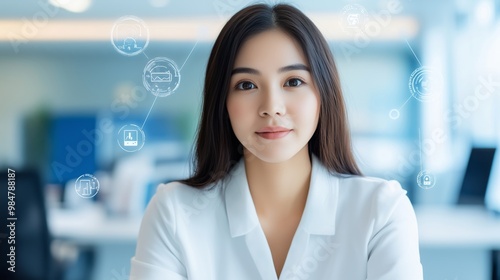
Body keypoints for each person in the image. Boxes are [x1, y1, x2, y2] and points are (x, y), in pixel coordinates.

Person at [130, 3, 423, 280]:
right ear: (222, 102)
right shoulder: (173, 212)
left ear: (323, 94)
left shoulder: (381, 211)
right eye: (246, 85)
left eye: (293, 82)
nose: (272, 106)